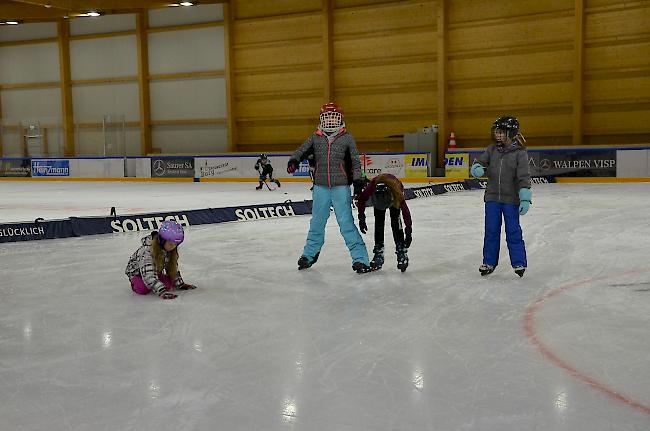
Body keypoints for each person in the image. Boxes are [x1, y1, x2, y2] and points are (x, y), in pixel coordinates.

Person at [287, 102, 371, 273]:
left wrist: (358, 184)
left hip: (340, 188)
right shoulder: (315, 137)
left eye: (334, 117)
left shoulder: (347, 138)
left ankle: (360, 258)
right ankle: (309, 254)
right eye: (327, 117)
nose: (331, 120)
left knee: (346, 223)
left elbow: (355, 163)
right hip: (320, 188)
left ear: (340, 119)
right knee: (317, 222)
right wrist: (294, 161)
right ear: (322, 119)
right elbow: (300, 151)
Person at [470, 116, 532, 277]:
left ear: (511, 133)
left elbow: (523, 176)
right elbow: (481, 162)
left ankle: (519, 262)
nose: (497, 135)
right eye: (496, 132)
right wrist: (477, 168)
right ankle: (489, 262)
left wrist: (524, 196)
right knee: (491, 230)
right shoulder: (491, 149)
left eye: (501, 132)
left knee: (513, 230)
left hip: (510, 200)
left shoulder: (520, 153)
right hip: (492, 198)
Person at [125, 220, 196, 299]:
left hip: (154, 271)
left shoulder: (169, 250)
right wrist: (162, 291)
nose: (173, 247)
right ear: (162, 240)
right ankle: (137, 283)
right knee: (142, 288)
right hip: (138, 274)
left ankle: (156, 283)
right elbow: (148, 275)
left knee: (168, 284)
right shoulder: (147, 251)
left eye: (176, 244)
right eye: (170, 243)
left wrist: (181, 284)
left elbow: (172, 269)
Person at [356, 173, 412, 272]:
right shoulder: (372, 188)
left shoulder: (397, 191)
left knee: (396, 223)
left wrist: (408, 231)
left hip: (393, 195)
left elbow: (406, 213)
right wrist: (361, 217)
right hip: (380, 198)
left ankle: (401, 251)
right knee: (379, 223)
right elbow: (361, 200)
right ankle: (379, 251)